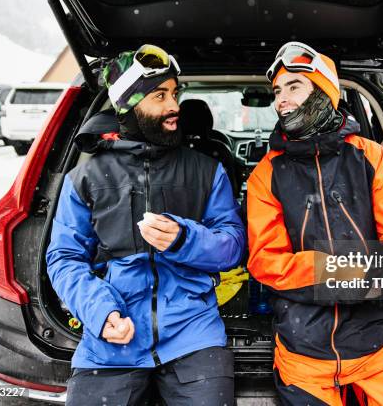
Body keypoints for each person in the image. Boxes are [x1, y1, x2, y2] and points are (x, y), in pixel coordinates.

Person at [46, 44, 245, 406]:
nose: (174, 106)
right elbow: (63, 257)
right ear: (128, 105)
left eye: (174, 93)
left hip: (193, 333)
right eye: (160, 95)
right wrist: (101, 312)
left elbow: (232, 246)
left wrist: (186, 239)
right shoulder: (85, 178)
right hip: (111, 337)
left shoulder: (206, 170)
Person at [246, 42, 383, 405]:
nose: (281, 100)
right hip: (303, 348)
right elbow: (266, 261)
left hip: (379, 341)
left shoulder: (372, 157)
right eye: (277, 91)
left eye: (294, 87)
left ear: (325, 92)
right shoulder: (266, 174)